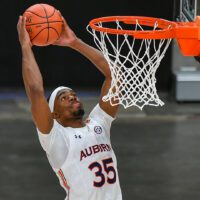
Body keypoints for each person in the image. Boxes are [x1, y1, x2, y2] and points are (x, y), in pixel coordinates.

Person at [17, 14, 122, 200]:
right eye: (64, 98)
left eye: (73, 94)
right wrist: (26, 46)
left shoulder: (99, 124)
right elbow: (35, 91)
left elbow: (114, 75)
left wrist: (75, 42)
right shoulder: (57, 138)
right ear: (54, 113)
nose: (72, 97)